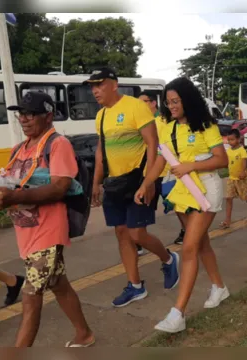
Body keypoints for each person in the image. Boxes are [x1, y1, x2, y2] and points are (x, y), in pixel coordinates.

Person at [0, 91, 94, 347]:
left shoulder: (57, 144)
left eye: (31, 114)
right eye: (21, 114)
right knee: (59, 285)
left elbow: (59, 187)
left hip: (48, 231)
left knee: (31, 296)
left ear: (49, 116)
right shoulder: (18, 149)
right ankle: (84, 334)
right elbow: (5, 186)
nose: (24, 119)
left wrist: (12, 197)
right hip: (26, 232)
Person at [134, 77, 229, 333]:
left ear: (188, 100)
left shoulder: (206, 125)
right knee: (201, 243)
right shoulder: (166, 126)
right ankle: (219, 287)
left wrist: (192, 166)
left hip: (206, 189)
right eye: (168, 102)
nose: (171, 106)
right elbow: (160, 161)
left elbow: (222, 160)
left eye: (175, 101)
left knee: (188, 246)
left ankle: (178, 313)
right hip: (182, 191)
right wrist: (146, 184)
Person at [88, 68, 180, 308]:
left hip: (139, 180)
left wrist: (148, 181)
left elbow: (152, 144)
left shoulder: (135, 107)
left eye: (99, 84)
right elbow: (101, 151)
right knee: (122, 233)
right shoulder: (101, 116)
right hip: (115, 183)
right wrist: (96, 182)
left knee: (137, 233)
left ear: (114, 85)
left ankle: (169, 259)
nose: (95, 90)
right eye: (92, 86)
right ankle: (135, 286)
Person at [138, 91, 186, 246]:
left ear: (153, 103)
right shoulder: (140, 122)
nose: (139, 106)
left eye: (143, 102)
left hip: (166, 172)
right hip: (148, 173)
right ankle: (139, 240)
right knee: (144, 206)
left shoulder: (164, 121)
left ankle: (187, 231)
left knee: (177, 205)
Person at [221, 129, 247, 229]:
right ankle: (227, 220)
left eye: (232, 139)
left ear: (238, 139)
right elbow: (227, 161)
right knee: (228, 198)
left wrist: (243, 171)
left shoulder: (242, 150)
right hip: (231, 179)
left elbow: (244, 160)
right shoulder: (229, 151)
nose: (230, 142)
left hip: (241, 179)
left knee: (246, 197)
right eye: (228, 140)